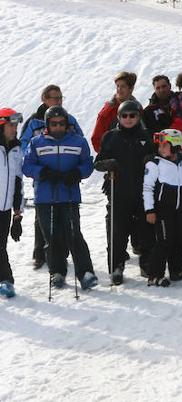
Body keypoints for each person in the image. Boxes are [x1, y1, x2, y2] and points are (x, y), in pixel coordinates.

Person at [22, 105, 98, 290]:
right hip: (45, 198)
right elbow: (27, 166)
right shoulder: (37, 142)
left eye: (61, 124)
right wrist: (43, 172)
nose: (58, 127)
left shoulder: (78, 142)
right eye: (54, 124)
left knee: (74, 234)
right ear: (47, 124)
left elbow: (88, 164)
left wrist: (77, 173)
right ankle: (57, 272)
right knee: (52, 237)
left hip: (69, 195)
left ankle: (85, 272)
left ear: (66, 124)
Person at [94, 99, 154, 285]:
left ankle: (147, 263)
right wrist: (108, 164)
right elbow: (97, 162)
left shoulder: (147, 135)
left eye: (133, 115)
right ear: (119, 117)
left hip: (143, 191)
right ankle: (116, 267)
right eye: (124, 116)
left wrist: (151, 159)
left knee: (145, 230)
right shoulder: (111, 136)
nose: (129, 119)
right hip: (118, 191)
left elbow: (159, 158)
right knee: (117, 232)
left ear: (138, 116)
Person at [141, 129, 182, 287]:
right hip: (163, 210)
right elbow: (147, 188)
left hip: (181, 209)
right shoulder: (155, 163)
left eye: (165, 145)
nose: (160, 149)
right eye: (160, 145)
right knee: (165, 241)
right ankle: (155, 275)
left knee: (180, 239)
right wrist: (149, 210)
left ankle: (177, 271)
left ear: (176, 146)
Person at [0, 108, 24, 298]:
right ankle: (7, 280)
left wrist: (18, 214)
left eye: (16, 125)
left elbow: (18, 181)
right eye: (11, 125)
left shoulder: (16, 149)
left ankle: (5, 281)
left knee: (1, 246)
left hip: (5, 208)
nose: (15, 129)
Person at [90, 71, 139, 152]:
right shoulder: (108, 111)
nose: (119, 89)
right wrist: (108, 156)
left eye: (123, 86)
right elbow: (96, 139)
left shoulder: (138, 108)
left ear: (131, 88)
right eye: (117, 86)